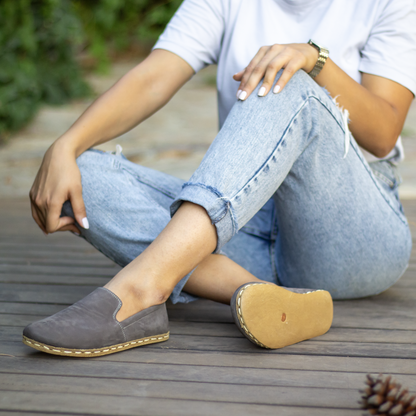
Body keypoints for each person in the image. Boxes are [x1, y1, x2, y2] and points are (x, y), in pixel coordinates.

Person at [22, 0, 415, 357]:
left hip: (349, 238)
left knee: (288, 76)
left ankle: (142, 288)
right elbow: (153, 78)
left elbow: (382, 134)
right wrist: (65, 145)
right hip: (245, 223)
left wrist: (315, 59)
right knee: (82, 176)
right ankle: (258, 294)